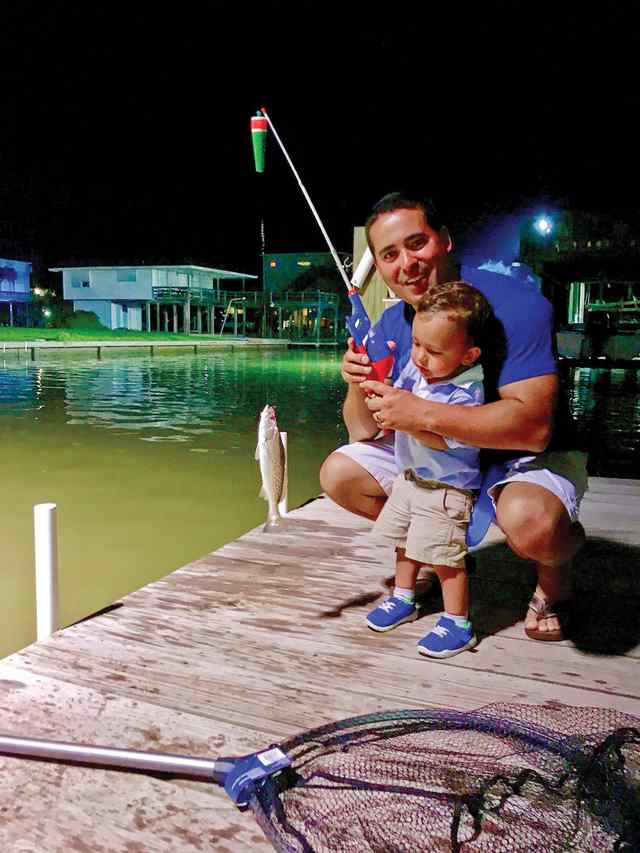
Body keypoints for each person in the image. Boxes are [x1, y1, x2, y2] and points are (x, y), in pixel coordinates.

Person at [320, 192, 588, 642]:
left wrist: (420, 412)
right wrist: (355, 380)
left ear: (444, 240)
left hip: (520, 456)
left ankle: (556, 573)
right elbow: (364, 431)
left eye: (416, 243)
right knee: (340, 472)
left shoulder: (517, 306)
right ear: (381, 269)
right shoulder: (390, 324)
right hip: (443, 460)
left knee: (531, 522)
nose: (407, 263)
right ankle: (437, 550)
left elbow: (534, 430)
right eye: (389, 255)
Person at [366, 282, 490, 658]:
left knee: (445, 559)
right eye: (416, 344)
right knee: (405, 544)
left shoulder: (468, 390)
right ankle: (404, 597)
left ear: (468, 355)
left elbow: (450, 439)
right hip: (410, 479)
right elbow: (396, 394)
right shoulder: (417, 369)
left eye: (433, 350)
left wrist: (406, 421)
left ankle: (458, 622)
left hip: (445, 491)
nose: (419, 356)